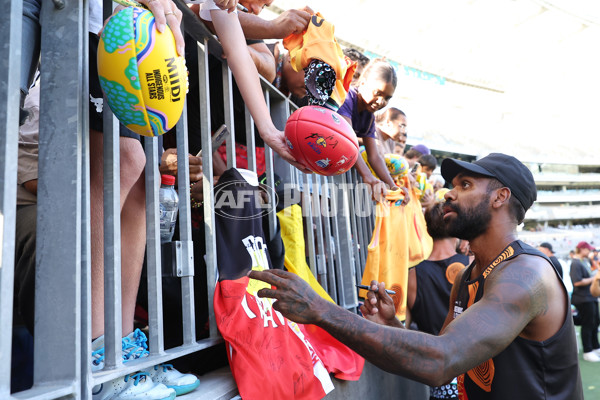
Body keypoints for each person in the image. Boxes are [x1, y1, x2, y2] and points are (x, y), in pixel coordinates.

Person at [249, 152, 583, 399]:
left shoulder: (526, 274)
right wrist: (390, 327)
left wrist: (320, 310)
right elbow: (442, 363)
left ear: (500, 197)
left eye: (465, 185)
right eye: (451, 185)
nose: (448, 194)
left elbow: (440, 360)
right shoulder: (467, 277)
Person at [187, 1, 310, 173]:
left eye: (265, 6)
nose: (257, 11)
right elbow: (196, 13)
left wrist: (269, 131)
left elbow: (238, 52)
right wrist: (272, 27)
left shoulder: (224, 6)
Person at [406, 202, 470, 400]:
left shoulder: (413, 275)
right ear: (456, 228)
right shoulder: (472, 265)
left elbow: (405, 329)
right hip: (474, 376)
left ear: (428, 229)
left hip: (440, 379)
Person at [337, 58, 399, 201]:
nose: (381, 101)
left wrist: (393, 186)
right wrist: (366, 175)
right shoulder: (346, 98)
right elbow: (348, 142)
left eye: (387, 98)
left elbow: (374, 156)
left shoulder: (369, 116)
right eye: (378, 93)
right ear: (363, 82)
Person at [570, 241, 600, 362]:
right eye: (588, 250)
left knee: (595, 321)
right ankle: (588, 350)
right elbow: (577, 282)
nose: (590, 252)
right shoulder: (575, 263)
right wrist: (594, 278)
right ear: (582, 249)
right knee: (588, 323)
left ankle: (595, 346)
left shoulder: (585, 261)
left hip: (590, 296)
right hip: (582, 298)